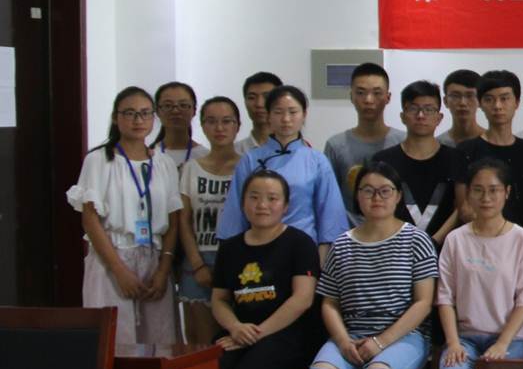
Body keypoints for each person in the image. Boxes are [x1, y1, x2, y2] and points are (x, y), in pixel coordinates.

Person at [303, 162, 437, 369]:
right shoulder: (342, 244)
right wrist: (342, 341)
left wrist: (381, 341)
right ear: (357, 196)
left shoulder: (416, 240)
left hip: (404, 336)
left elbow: (423, 302)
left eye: (385, 191)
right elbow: (329, 303)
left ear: (398, 196)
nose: (377, 198)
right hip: (351, 336)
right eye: (368, 191)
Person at [210, 171, 319, 369]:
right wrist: (236, 327)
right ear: (243, 202)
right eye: (254, 197)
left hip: (287, 334)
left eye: (272, 198)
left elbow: (302, 299)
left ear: (286, 205)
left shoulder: (300, 243)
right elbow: (219, 300)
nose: (262, 205)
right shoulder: (230, 247)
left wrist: (256, 333)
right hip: (239, 333)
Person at [68, 86, 184, 347]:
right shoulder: (99, 160)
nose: (138, 120)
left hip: (154, 259)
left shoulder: (163, 163)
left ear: (154, 118)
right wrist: (119, 270)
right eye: (130, 113)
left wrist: (163, 270)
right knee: (114, 343)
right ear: (115, 117)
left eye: (145, 113)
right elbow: (90, 219)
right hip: (112, 257)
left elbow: (173, 220)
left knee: (161, 342)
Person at [435, 158, 523, 369]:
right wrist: (453, 343)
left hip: (513, 338)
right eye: (478, 190)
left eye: (494, 190)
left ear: (507, 192)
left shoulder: (522, 239)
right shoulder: (455, 239)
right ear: (468, 194)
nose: (486, 198)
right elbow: (445, 298)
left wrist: (502, 343)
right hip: (466, 338)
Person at [218, 86, 345, 253]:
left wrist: (321, 260)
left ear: (304, 115)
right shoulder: (251, 159)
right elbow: (235, 213)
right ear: (268, 116)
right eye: (278, 112)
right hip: (257, 248)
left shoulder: (317, 161)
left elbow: (330, 216)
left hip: (304, 248)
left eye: (293, 112)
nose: (286, 119)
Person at [176, 96, 242, 344]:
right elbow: (184, 220)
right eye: (211, 121)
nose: (219, 128)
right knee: (201, 342)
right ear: (202, 125)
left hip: (236, 258)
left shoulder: (247, 166)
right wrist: (198, 265)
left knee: (233, 338)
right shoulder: (190, 168)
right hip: (199, 258)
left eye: (227, 121)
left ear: (237, 125)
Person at [373, 80, 463, 246]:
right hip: (395, 248)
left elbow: (461, 207)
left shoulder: (456, 158)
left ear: (439, 118)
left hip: (444, 249)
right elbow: (378, 207)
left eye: (429, 109)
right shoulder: (383, 161)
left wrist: (432, 242)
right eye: (413, 109)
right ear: (402, 116)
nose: (421, 115)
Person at [455, 69, 523, 228]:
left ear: (517, 102)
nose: (497, 106)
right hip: (478, 236)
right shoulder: (466, 150)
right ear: (480, 103)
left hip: (521, 237)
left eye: (504, 98)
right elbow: (464, 208)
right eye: (489, 99)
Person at [322, 62, 403, 216]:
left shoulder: (403, 142)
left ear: (388, 97)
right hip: (348, 227)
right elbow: (329, 198)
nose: (368, 100)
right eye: (360, 92)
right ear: (351, 96)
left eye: (377, 93)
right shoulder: (335, 145)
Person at [153, 81, 199, 168]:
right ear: (157, 111)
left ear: (194, 110)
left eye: (183, 105)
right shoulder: (149, 156)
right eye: (167, 105)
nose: (175, 111)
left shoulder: (205, 156)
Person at [235, 70, 282, 155]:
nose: (259, 104)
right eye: (252, 97)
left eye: (267, 97)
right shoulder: (234, 152)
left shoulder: (297, 151)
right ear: (245, 102)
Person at [435, 69, 483, 146]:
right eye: (455, 96)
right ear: (445, 101)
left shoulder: (495, 143)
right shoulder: (436, 146)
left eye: (470, 96)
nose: (462, 103)